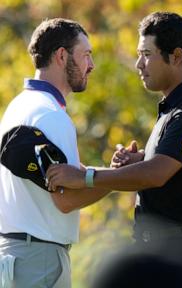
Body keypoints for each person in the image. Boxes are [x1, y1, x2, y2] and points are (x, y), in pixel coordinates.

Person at [47, 12, 182, 288]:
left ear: (177, 56)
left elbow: (156, 175)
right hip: (169, 253)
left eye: (147, 54)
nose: (138, 64)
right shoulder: (174, 107)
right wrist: (140, 160)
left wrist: (85, 177)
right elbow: (169, 168)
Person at [0, 18, 111, 287]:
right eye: (86, 55)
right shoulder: (52, 115)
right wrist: (119, 178)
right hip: (41, 260)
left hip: (13, 256)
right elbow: (66, 200)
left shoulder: (18, 106)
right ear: (62, 56)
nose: (91, 65)